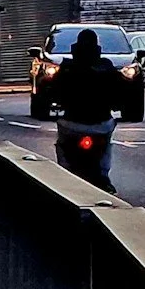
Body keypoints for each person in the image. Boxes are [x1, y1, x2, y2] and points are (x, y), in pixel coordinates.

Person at [51, 28, 126, 190]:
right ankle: (104, 177)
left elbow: (51, 89)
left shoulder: (67, 67)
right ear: (97, 46)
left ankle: (64, 174)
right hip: (101, 124)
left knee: (62, 145)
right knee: (106, 144)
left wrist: (54, 102)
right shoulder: (106, 67)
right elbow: (122, 90)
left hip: (71, 124)